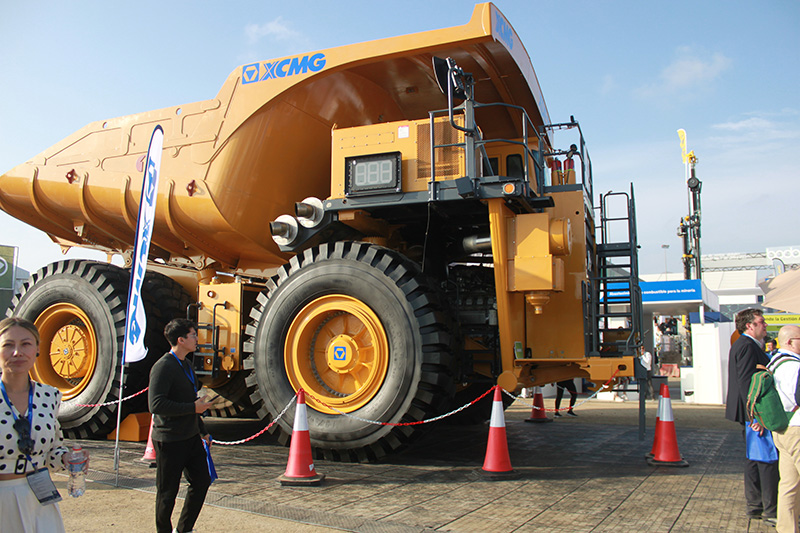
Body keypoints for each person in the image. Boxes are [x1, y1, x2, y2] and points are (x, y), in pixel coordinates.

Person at [0, 316, 88, 533]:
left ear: (37, 349)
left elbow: (52, 450)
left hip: (40, 499)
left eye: (26, 344)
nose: (17, 352)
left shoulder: (49, 395)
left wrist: (66, 458)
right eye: (8, 345)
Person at [149, 318, 213, 533]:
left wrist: (203, 430)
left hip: (191, 436)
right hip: (169, 439)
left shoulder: (186, 364)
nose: (197, 339)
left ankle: (184, 529)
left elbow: (191, 400)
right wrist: (191, 408)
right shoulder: (163, 366)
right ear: (181, 339)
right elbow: (156, 404)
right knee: (167, 493)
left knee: (202, 481)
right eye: (193, 335)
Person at [725, 308, 778, 523]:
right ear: (749, 325)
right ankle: (769, 509)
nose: (765, 325)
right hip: (753, 412)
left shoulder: (746, 345)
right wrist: (756, 416)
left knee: (755, 459)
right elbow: (747, 382)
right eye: (761, 322)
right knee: (765, 459)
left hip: (749, 411)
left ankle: (756, 505)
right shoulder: (747, 346)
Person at [768, 325, 800, 532]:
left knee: (789, 485)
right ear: (789, 341)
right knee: (790, 485)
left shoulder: (774, 362)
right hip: (797, 429)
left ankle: (786, 529)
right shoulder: (794, 366)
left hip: (781, 430)